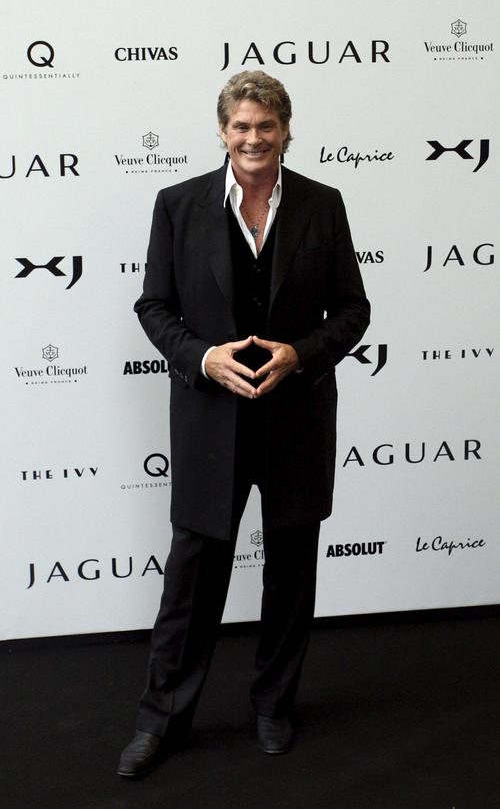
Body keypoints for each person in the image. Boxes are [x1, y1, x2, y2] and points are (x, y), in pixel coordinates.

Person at [118, 70, 370, 778]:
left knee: (290, 574)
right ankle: (161, 720)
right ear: (222, 132)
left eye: (266, 126)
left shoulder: (323, 203)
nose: (253, 138)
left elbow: (354, 309)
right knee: (192, 579)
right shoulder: (178, 205)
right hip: (210, 421)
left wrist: (301, 354)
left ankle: (273, 706)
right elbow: (154, 307)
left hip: (296, 418)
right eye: (241, 127)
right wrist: (204, 358)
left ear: (286, 131)